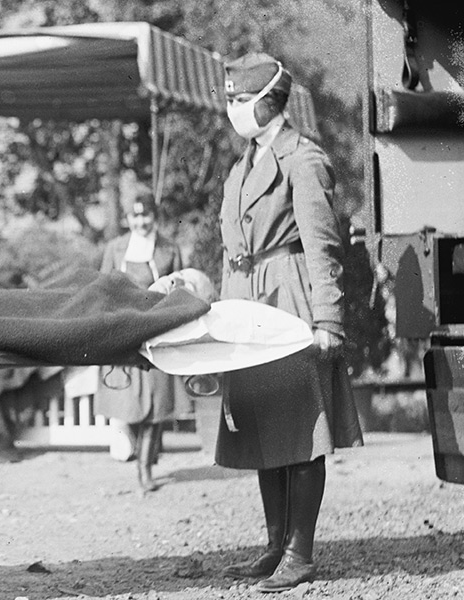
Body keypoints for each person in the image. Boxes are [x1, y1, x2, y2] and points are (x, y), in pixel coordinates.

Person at [215, 53, 362, 593]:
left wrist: (328, 320)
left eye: (238, 100)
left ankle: (300, 554)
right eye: (229, 98)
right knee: (260, 428)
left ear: (267, 102)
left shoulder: (304, 158)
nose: (231, 109)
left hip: (290, 300)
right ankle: (275, 546)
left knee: (300, 430)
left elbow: (323, 244)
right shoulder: (243, 163)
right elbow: (231, 246)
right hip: (246, 301)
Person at [94, 198, 184, 494]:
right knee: (128, 402)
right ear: (127, 220)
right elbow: (102, 289)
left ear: (155, 217)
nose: (140, 223)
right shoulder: (116, 248)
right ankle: (140, 452)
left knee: (156, 404)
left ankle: (145, 470)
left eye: (146, 217)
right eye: (135, 218)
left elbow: (180, 292)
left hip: (156, 329)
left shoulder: (169, 249)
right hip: (123, 332)